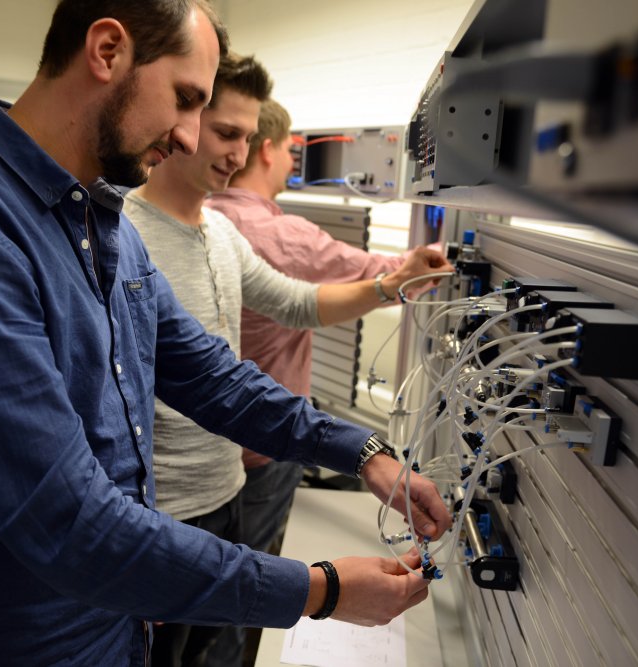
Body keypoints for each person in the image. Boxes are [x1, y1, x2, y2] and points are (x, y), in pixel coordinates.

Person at [0, 2, 452, 665]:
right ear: (106, 51)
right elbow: (66, 521)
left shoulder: (109, 229)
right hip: (24, 639)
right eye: (186, 100)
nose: (190, 138)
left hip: (125, 617)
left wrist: (363, 450)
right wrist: (318, 590)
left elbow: (216, 379)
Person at [123, 52, 451, 666]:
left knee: (216, 651)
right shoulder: (125, 234)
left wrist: (392, 282)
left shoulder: (223, 234)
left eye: (249, 137)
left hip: (226, 493)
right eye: (226, 133)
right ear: (183, 122)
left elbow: (296, 303)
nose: (239, 154)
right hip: (160, 511)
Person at [207, 99, 438, 658]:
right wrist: (428, 263)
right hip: (265, 449)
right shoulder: (284, 235)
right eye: (290, 151)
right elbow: (375, 273)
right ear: (266, 149)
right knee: (245, 593)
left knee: (215, 588)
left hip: (216, 448)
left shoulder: (211, 221)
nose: (293, 164)